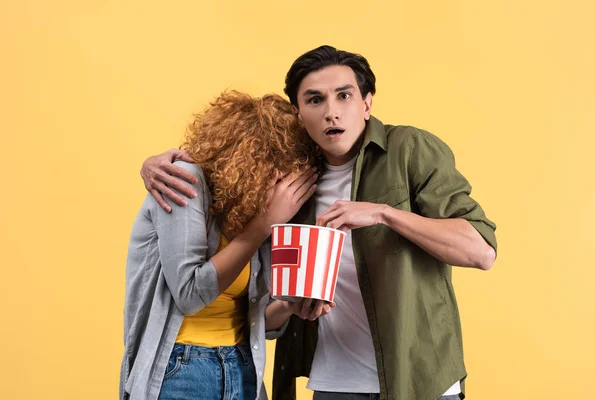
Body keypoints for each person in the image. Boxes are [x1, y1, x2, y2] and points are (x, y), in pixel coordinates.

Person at [142, 46, 498, 400]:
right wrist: (156, 163)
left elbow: (480, 251)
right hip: (334, 383)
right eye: (315, 100)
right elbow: (262, 312)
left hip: (420, 379)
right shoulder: (290, 181)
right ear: (298, 114)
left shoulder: (409, 149)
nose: (331, 113)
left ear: (367, 103)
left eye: (344, 96)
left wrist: (383, 213)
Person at [121, 91, 333, 400]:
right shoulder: (185, 181)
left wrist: (289, 306)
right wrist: (262, 227)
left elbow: (260, 322)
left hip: (243, 368)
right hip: (181, 368)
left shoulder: (254, 214)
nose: (284, 188)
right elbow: (190, 295)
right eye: (279, 173)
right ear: (249, 159)